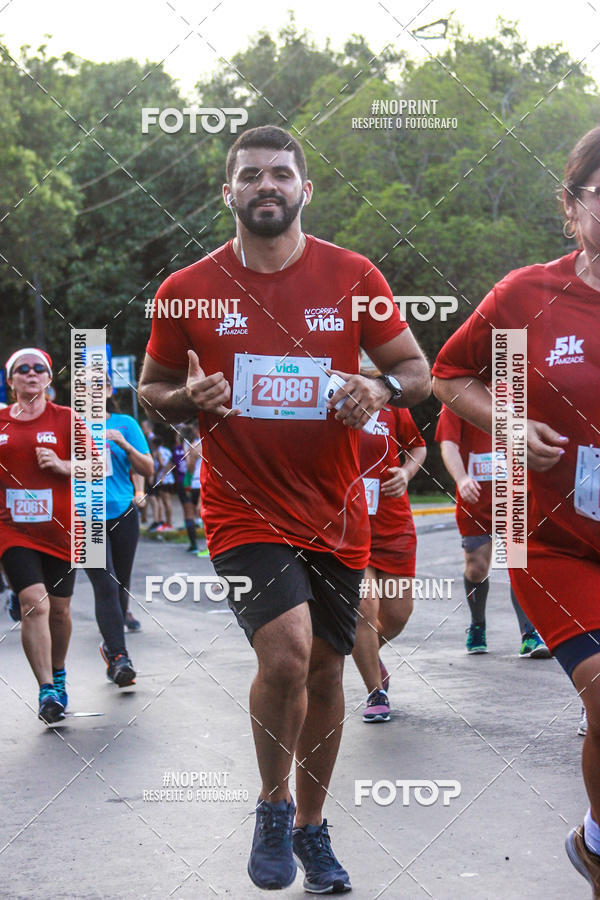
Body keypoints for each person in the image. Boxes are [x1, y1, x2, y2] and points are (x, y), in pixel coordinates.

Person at [139, 125, 431, 894]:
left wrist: (377, 390)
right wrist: (185, 401)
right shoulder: (186, 288)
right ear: (227, 193)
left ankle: (312, 827)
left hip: (336, 509)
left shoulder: (354, 274)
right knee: (289, 654)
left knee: (331, 673)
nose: (265, 185)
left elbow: (416, 370)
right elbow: (151, 390)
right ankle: (272, 805)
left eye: (279, 174)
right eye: (249, 176)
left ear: (305, 189)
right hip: (241, 509)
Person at [432, 126, 600, 895]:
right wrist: (503, 421)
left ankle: (595, 840)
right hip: (549, 538)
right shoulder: (526, 295)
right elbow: (448, 373)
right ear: (570, 209)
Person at [435, 403, 550, 657]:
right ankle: (477, 625)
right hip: (476, 498)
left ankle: (529, 633)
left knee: (519, 565)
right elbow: (448, 444)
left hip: (515, 497)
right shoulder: (458, 395)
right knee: (476, 568)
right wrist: (462, 478)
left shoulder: (517, 393)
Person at [0, 348, 75, 723]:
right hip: (12, 530)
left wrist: (63, 465)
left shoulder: (66, 418)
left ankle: (58, 672)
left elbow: (98, 465)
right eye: (22, 369)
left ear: (49, 378)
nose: (31, 374)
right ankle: (47, 689)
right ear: (10, 380)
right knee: (35, 603)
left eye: (38, 369)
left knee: (59, 611)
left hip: (61, 531)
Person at [352, 365, 427, 723]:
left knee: (397, 614)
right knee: (363, 608)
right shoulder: (332, 399)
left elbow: (417, 447)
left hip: (393, 523)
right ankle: (374, 691)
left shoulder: (394, 403)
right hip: (346, 525)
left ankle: (365, 652)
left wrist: (406, 473)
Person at [85, 376, 152, 683]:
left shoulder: (126, 424)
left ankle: (112, 643)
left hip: (122, 512)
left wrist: (123, 444)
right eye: (85, 385)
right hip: (84, 516)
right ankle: (119, 658)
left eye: (100, 384)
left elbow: (147, 468)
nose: (93, 389)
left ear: (110, 391)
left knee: (121, 583)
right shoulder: (68, 424)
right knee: (106, 585)